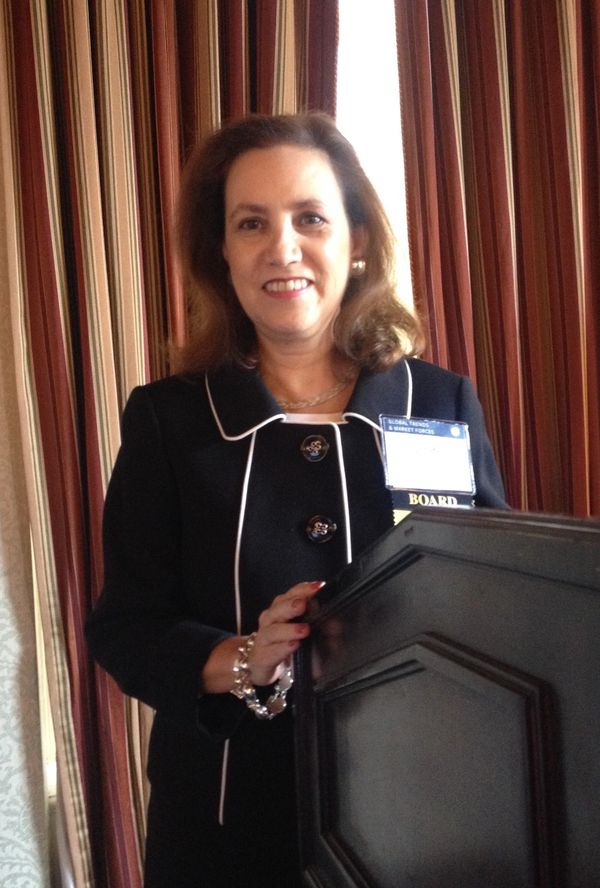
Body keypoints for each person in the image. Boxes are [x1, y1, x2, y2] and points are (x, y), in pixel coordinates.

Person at [86, 112, 506, 887]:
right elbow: (127, 627)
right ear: (223, 253)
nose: (282, 248)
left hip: (431, 811)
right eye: (252, 223)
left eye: (310, 217)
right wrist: (245, 658)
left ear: (357, 242)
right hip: (225, 825)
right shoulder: (170, 420)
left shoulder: (438, 400)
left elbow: (496, 595)